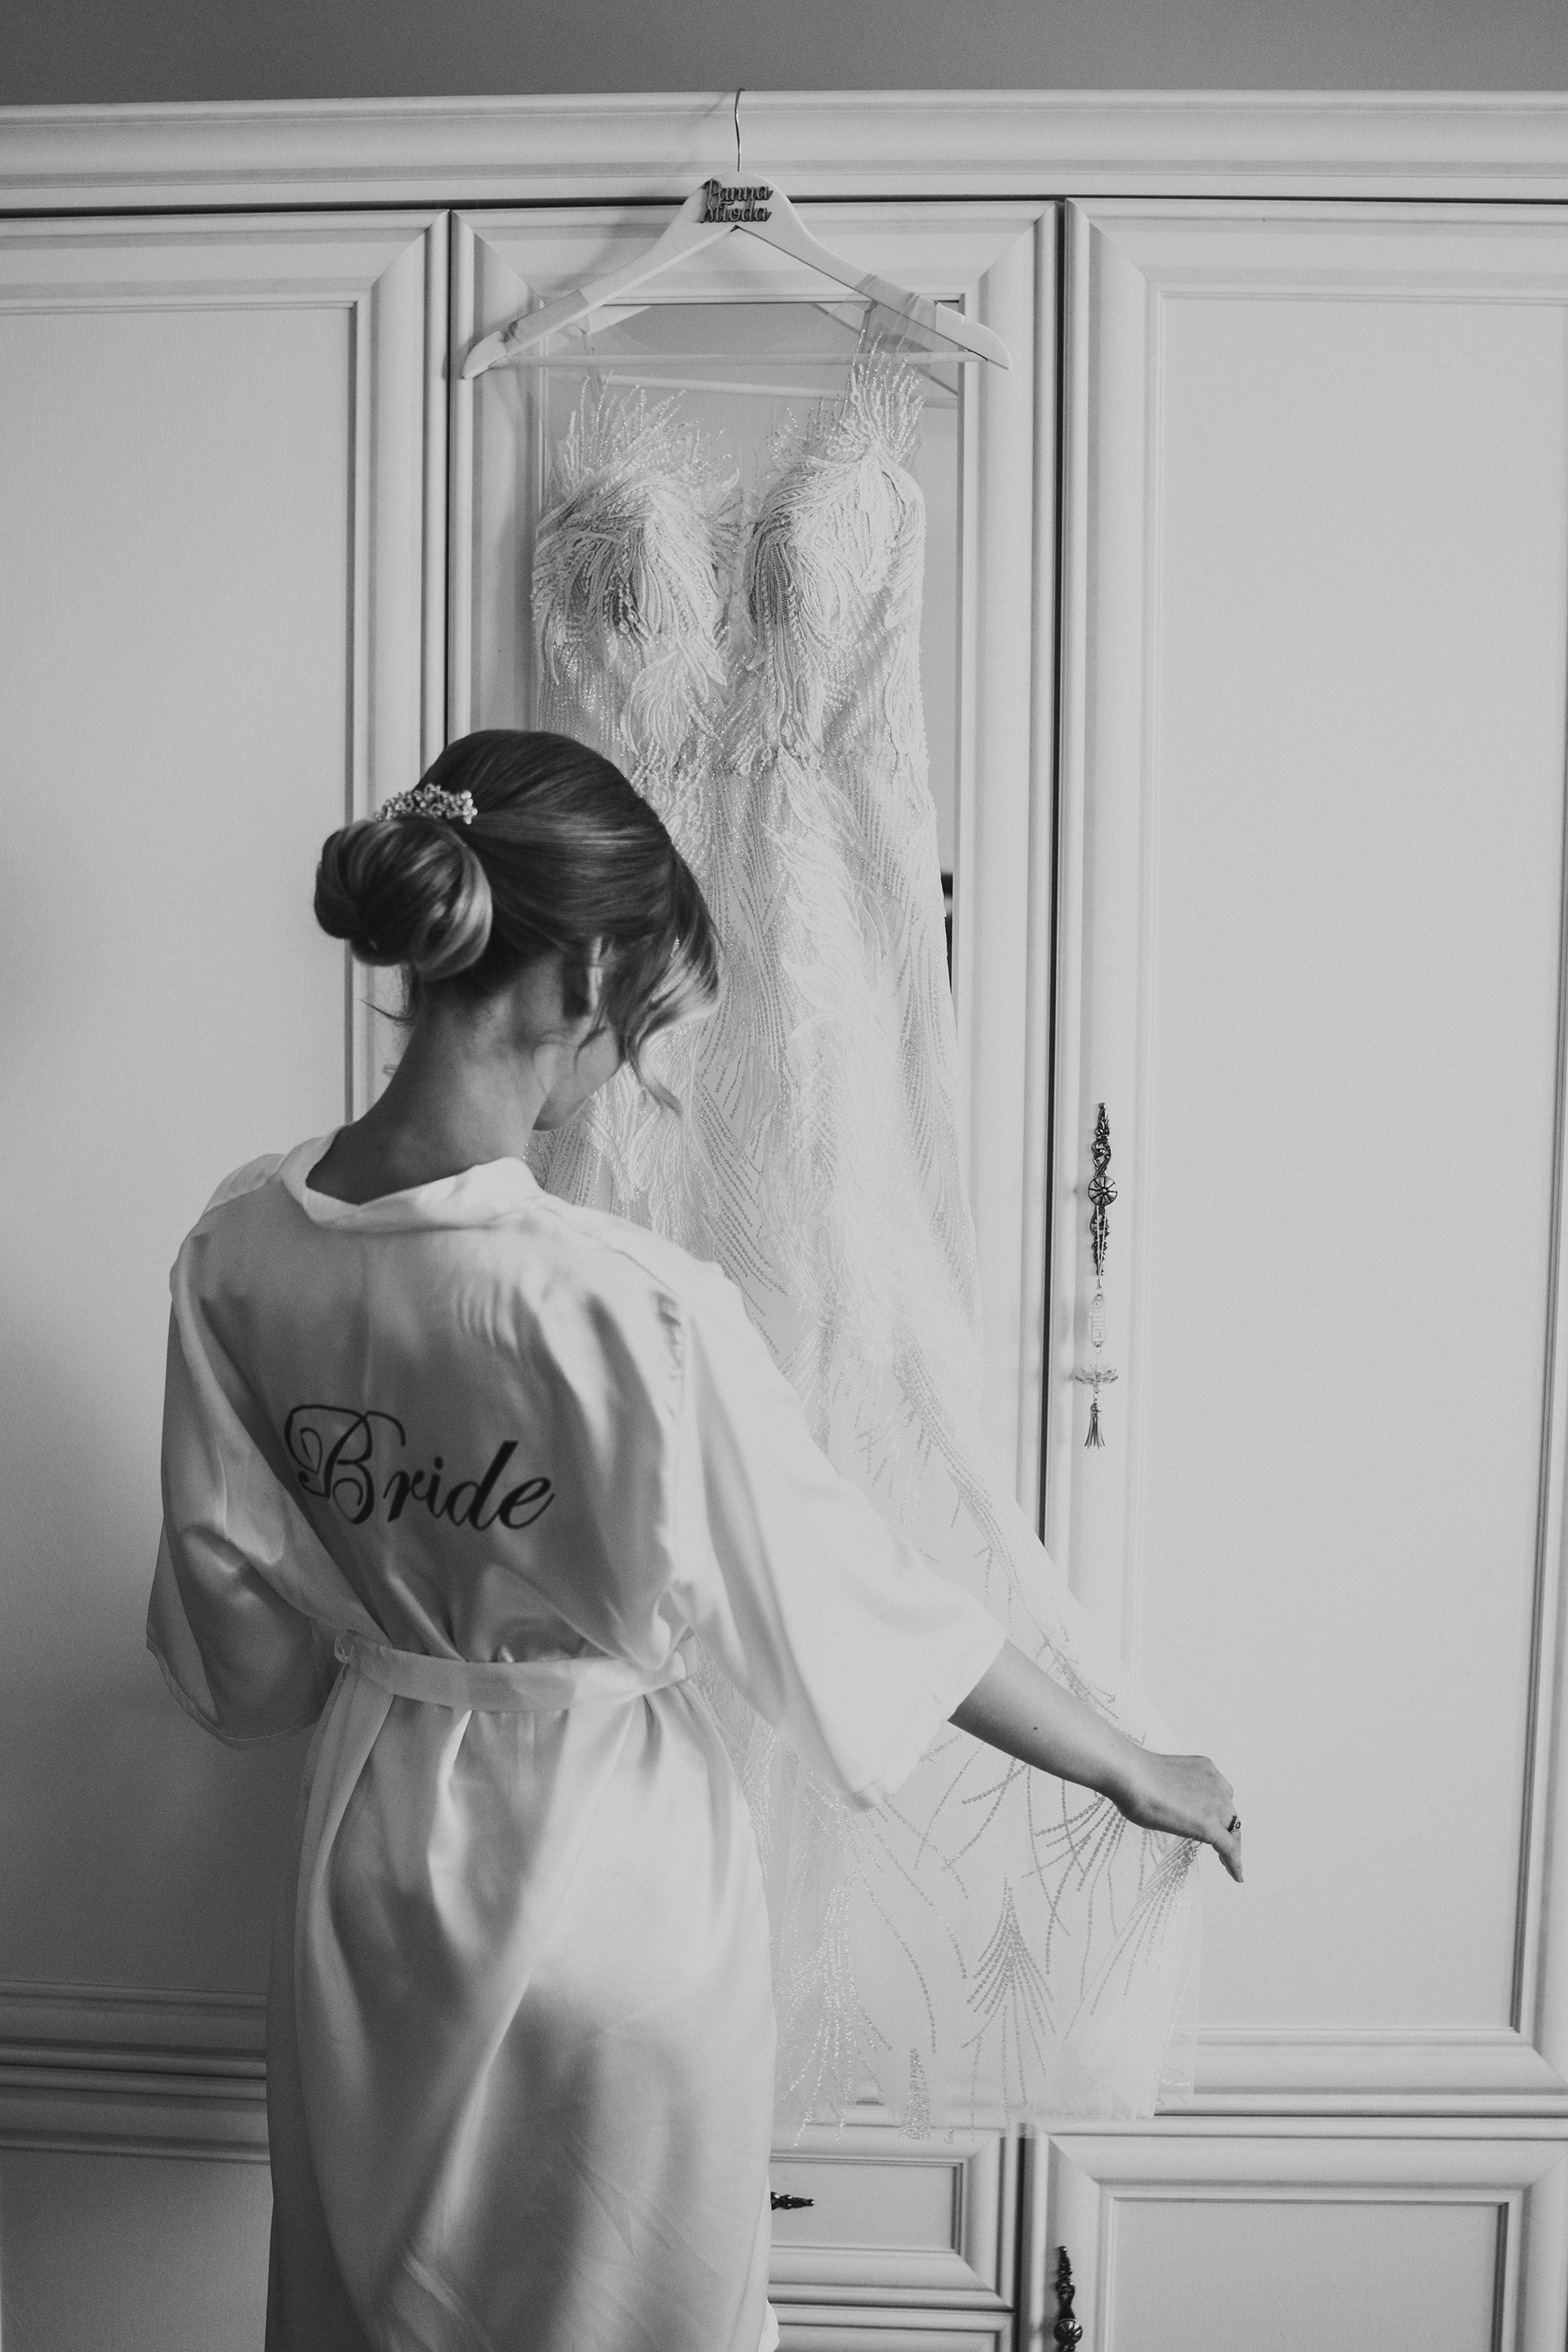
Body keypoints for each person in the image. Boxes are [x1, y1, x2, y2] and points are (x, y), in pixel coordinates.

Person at [149, 728, 1240, 2352]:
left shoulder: (236, 1245)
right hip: (612, 1883)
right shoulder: (633, 1308)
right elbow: (848, 1609)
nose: (618, 1071)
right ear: (589, 976)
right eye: (642, 1027)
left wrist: (394, 1618)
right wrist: (1131, 1765)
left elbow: (237, 1638)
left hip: (366, 1890)